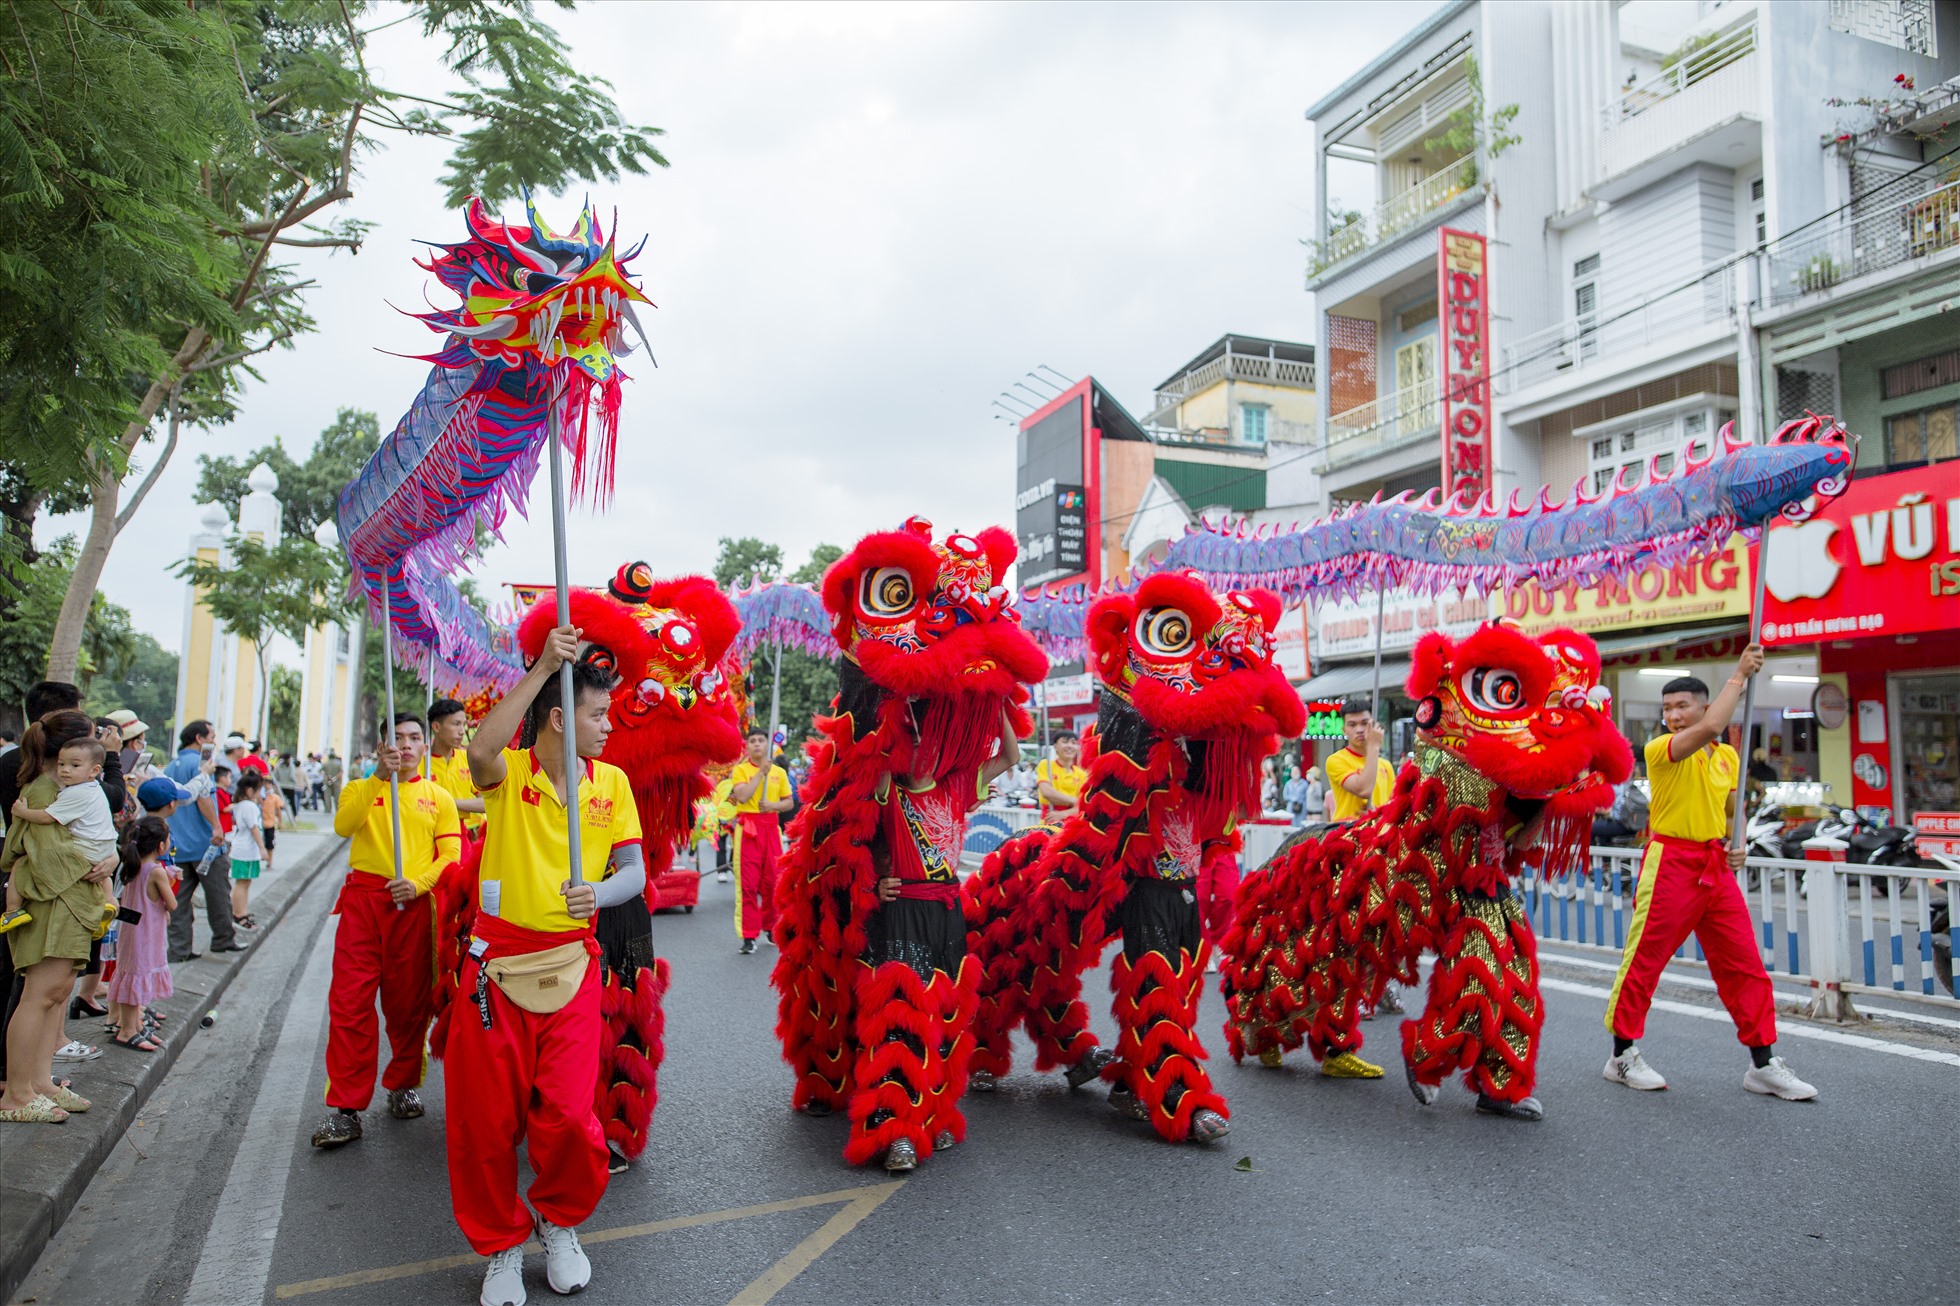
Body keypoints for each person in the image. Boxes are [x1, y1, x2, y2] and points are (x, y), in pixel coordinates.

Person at [452, 627, 645, 1306]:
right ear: (562, 718)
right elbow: (479, 747)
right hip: (496, 970)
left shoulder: (612, 783)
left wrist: (601, 893)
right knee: (485, 1124)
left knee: (567, 1117)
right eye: (598, 715)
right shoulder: (509, 775)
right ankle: (501, 1245)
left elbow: (634, 872)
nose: (608, 728)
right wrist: (541, 669)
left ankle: (557, 1221)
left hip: (572, 966)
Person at [1603, 646, 1817, 1100]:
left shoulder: (1727, 758)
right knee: (1644, 961)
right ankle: (1621, 1055)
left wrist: (1735, 843)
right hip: (1670, 863)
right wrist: (1738, 675)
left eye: (1683, 706)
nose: (1674, 716)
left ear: (1700, 704)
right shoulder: (1661, 749)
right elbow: (1713, 726)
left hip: (1713, 867)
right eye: (1667, 709)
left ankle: (1763, 1063)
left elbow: (1729, 809)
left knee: (1745, 966)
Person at [312, 713, 462, 1149]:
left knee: (408, 1004)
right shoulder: (361, 788)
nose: (407, 745)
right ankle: (345, 1108)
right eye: (396, 738)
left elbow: (451, 851)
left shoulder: (439, 797)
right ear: (382, 746)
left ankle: (401, 1085)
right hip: (362, 904)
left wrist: (419, 883)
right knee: (349, 1004)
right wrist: (379, 776)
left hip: (412, 907)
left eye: (415, 737)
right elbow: (344, 827)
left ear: (424, 743)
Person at [0, 711, 117, 1124]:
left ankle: (40, 1083)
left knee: (54, 995)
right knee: (39, 996)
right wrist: (99, 864)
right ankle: (16, 1095)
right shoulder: (44, 791)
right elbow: (46, 856)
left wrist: (109, 856)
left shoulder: (69, 789)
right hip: (56, 904)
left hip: (68, 904)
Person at [4, 737, 119, 926]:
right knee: (101, 873)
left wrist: (22, 812)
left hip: (86, 849)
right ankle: (109, 901)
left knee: (21, 863)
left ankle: (12, 911)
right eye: (62, 764)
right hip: (105, 847)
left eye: (74, 765)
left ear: (95, 771)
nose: (66, 770)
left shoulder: (75, 793)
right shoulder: (94, 788)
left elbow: (46, 817)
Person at [163, 722, 244, 963]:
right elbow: (203, 798)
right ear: (199, 738)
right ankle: (222, 939)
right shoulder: (202, 766)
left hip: (178, 844)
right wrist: (217, 826)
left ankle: (179, 949)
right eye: (211, 737)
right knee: (218, 893)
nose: (214, 742)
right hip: (205, 842)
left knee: (179, 900)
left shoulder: (170, 766)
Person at [106, 818, 175, 1053]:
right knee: (136, 976)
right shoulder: (156, 871)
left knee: (130, 976)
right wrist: (173, 880)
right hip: (146, 934)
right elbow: (172, 903)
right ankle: (127, 1031)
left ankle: (133, 1024)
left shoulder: (131, 865)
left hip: (130, 930)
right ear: (161, 846)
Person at [728, 728, 792, 955]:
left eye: (761, 740)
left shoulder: (779, 773)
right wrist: (760, 774)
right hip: (749, 831)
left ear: (768, 745)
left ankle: (771, 927)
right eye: (752, 741)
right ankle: (748, 935)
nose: (757, 744)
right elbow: (742, 796)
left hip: (771, 829)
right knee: (748, 885)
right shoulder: (740, 770)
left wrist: (773, 806)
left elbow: (789, 803)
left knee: (773, 882)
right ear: (747, 746)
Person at [426, 698, 486, 838]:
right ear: (436, 727)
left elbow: (486, 802)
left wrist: (449, 802)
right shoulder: (421, 762)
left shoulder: (467, 759)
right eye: (456, 724)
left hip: (465, 832)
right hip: (429, 832)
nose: (461, 731)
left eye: (463, 725)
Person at [1326, 698, 1392, 823]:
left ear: (1374, 725)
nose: (1359, 729)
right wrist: (1374, 747)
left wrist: (1379, 815)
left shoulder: (1386, 765)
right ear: (1344, 730)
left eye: (1364, 723)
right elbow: (1364, 790)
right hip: (1347, 834)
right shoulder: (1336, 760)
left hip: (1379, 834)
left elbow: (1394, 805)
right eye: (1352, 725)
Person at [227, 773, 267, 929]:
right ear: (250, 791)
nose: (260, 794)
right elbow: (254, 828)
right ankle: (238, 914)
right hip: (246, 850)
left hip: (243, 849)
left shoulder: (241, 805)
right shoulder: (249, 806)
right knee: (242, 882)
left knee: (244, 882)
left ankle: (241, 912)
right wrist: (262, 848)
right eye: (258, 790)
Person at [1035, 731, 1086, 821]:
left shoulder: (1081, 774)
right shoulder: (1046, 765)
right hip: (1049, 819)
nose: (1069, 746)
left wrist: (1063, 814)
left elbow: (1083, 805)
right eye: (1065, 742)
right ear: (1055, 746)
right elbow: (1046, 792)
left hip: (1072, 822)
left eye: (1073, 743)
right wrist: (1073, 800)